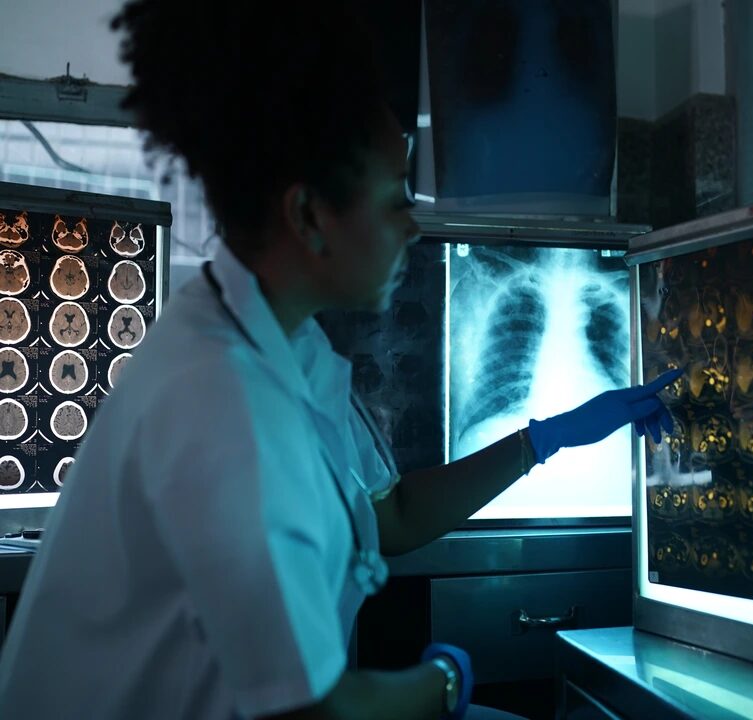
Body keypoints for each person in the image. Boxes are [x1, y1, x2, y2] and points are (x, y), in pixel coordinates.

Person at [0, 2, 681, 718]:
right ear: (309, 217)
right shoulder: (220, 401)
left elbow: (394, 515)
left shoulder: (286, 344)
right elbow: (310, 712)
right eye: (395, 198)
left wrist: (547, 437)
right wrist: (446, 680)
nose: (412, 226)